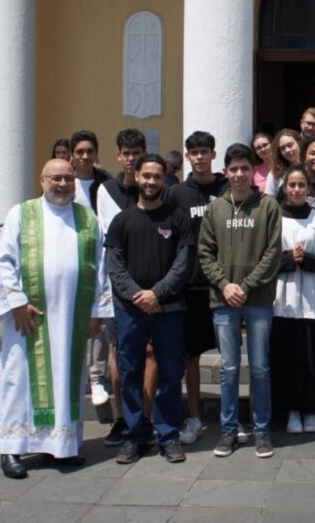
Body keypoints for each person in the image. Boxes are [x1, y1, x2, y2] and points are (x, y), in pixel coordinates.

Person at [0, 159, 112, 479]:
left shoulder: (87, 219)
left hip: (73, 316)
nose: (62, 184)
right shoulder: (22, 214)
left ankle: (61, 446)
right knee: (20, 382)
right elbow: (3, 259)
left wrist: (97, 312)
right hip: (29, 318)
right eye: (55, 178)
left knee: (66, 382)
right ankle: (12, 448)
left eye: (68, 179)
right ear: (42, 180)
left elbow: (101, 268)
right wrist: (16, 302)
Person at [105, 154, 194, 464]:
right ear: (137, 177)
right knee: (130, 373)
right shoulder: (122, 221)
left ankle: (168, 435)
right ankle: (134, 436)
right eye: (147, 176)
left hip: (169, 309)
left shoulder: (177, 218)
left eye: (157, 176)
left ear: (164, 180)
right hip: (130, 310)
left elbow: (183, 263)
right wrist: (138, 295)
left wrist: (157, 293)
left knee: (170, 373)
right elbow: (114, 267)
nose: (152, 182)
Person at [198, 143, 282, 459]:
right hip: (223, 300)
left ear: (253, 172)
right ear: (226, 172)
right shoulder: (216, 208)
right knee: (229, 368)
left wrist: (244, 285)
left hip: (258, 299)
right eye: (233, 169)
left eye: (244, 168)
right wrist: (225, 285)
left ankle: (261, 431)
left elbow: (273, 253)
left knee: (260, 367)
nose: (239, 174)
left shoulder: (269, 207)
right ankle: (229, 431)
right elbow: (205, 252)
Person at [166, 131, 228, 445]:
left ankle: (231, 419)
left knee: (232, 354)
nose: (200, 157)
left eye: (205, 151)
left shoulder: (228, 188)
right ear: (188, 156)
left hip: (226, 286)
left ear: (213, 154)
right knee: (191, 356)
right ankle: (194, 417)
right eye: (194, 152)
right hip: (191, 287)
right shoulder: (177, 193)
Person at [95, 129, 153, 447]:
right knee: (120, 355)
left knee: (151, 352)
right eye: (126, 153)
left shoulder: (155, 185)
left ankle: (146, 417)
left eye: (136, 152)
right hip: (119, 287)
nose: (131, 159)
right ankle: (121, 418)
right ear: (118, 156)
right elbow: (115, 235)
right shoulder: (107, 190)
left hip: (152, 287)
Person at [271, 164, 315, 434]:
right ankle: (291, 411)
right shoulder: (274, 217)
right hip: (282, 301)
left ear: (309, 189)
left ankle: (312, 410)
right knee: (287, 359)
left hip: (311, 300)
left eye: (302, 185)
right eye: (292, 185)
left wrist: (307, 260)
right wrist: (288, 259)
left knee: (311, 359)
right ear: (284, 188)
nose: (296, 190)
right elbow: (264, 257)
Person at [69, 130, 114, 410]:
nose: (85, 156)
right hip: (72, 260)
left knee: (99, 319)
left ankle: (97, 377)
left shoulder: (106, 183)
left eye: (90, 151)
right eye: (80, 151)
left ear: (97, 153)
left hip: (102, 259)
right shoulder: (64, 183)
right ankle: (75, 375)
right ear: (72, 155)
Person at [264, 129, 302, 197]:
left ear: (298, 143)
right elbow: (269, 200)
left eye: (290, 145)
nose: (287, 150)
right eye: (282, 148)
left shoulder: (310, 168)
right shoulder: (274, 174)